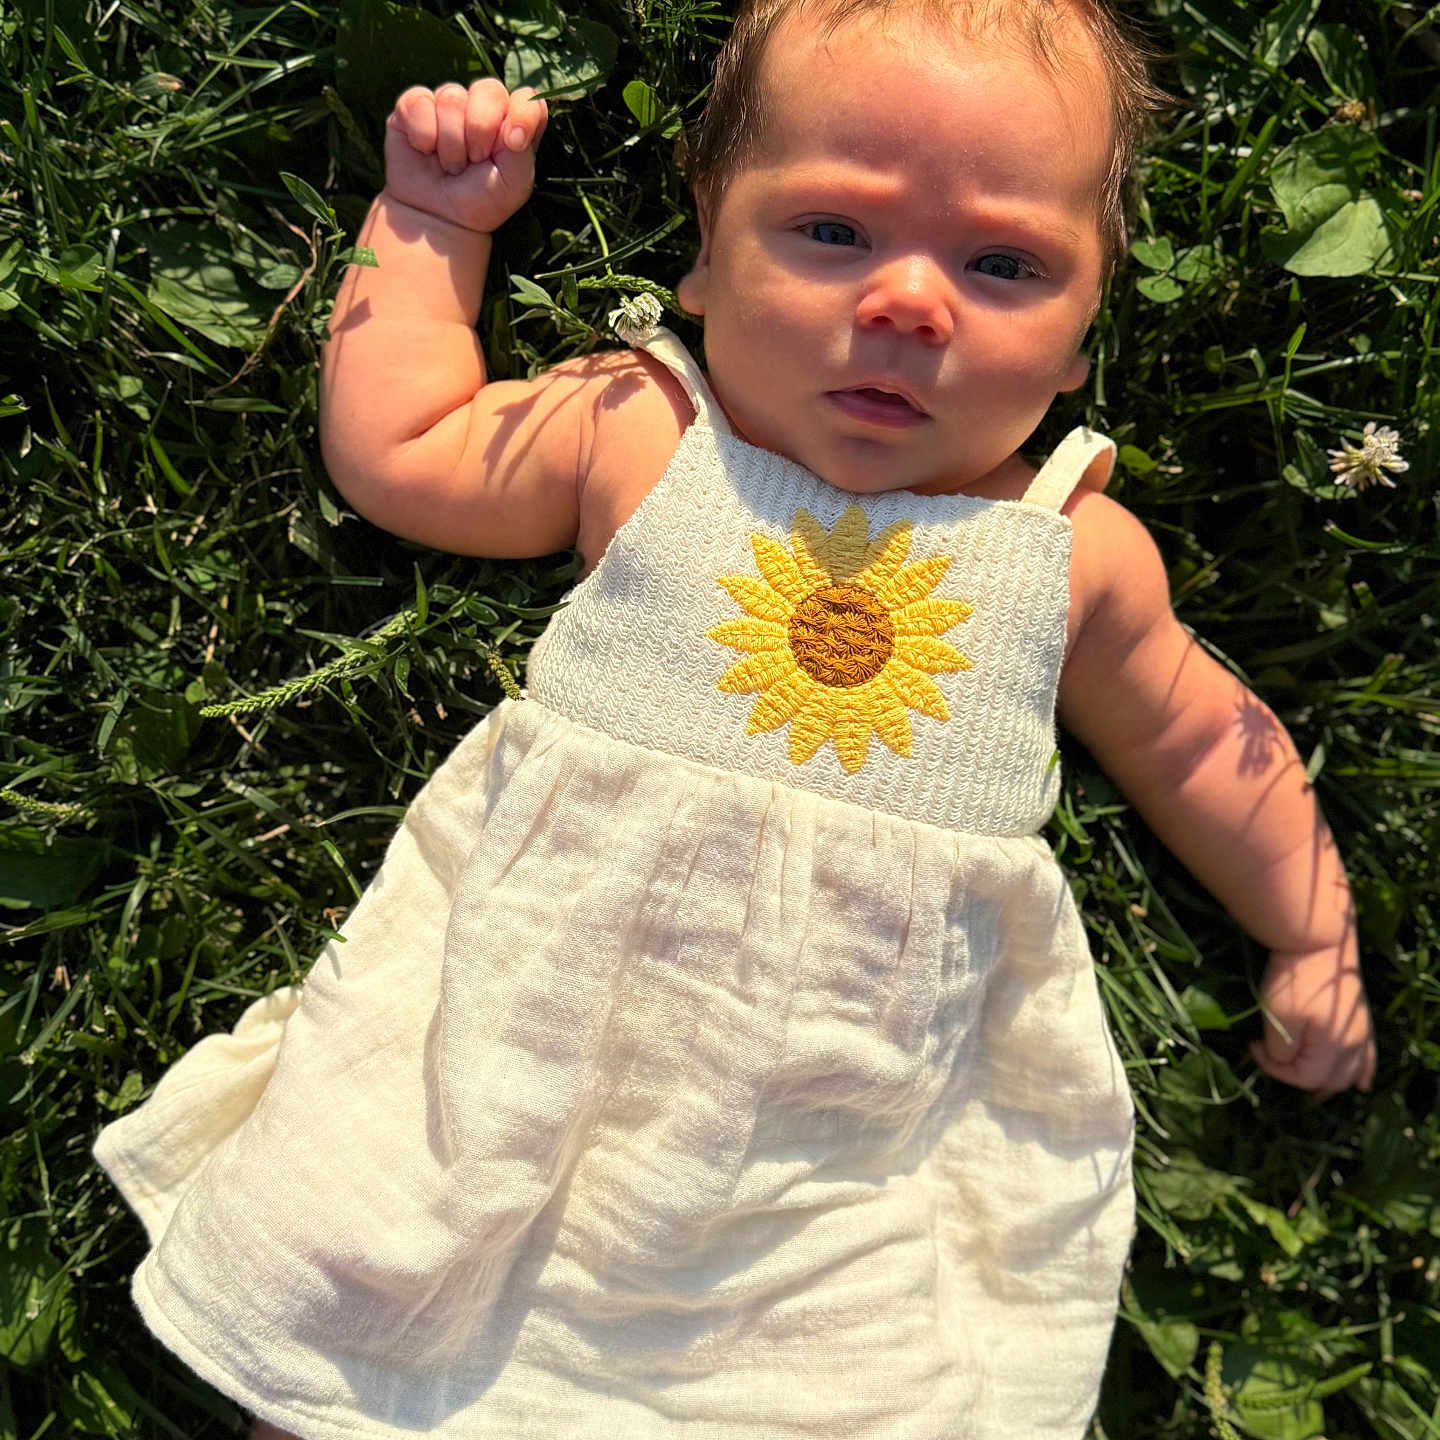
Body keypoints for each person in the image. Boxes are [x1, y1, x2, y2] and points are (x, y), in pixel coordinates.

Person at [94, 0, 1377, 1436]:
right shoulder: (643, 435)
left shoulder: (1072, 554)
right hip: (524, 1034)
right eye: (831, 232)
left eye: (1005, 264)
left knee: (836, 1371)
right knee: (379, 1308)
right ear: (707, 252)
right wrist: (431, 225)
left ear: (1084, 334)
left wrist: (1309, 924)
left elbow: (1197, 740)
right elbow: (404, 449)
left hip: (847, 1128)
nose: (909, 303)